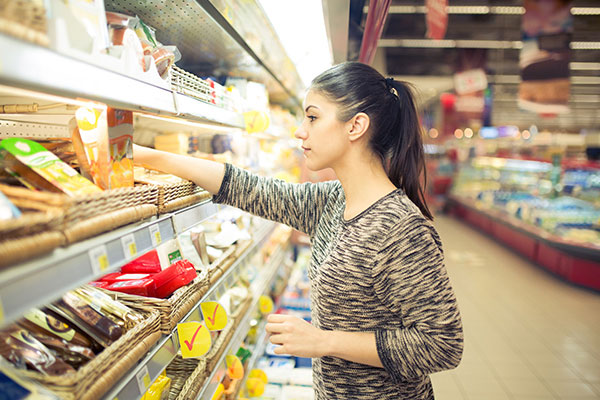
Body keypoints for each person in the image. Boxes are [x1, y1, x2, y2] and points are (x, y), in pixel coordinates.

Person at [134, 61, 463, 399]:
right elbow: (252, 189)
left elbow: (443, 344)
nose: (300, 130)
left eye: (313, 117)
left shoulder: (399, 229)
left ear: (356, 126)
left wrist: (325, 341)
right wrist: (144, 156)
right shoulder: (334, 200)